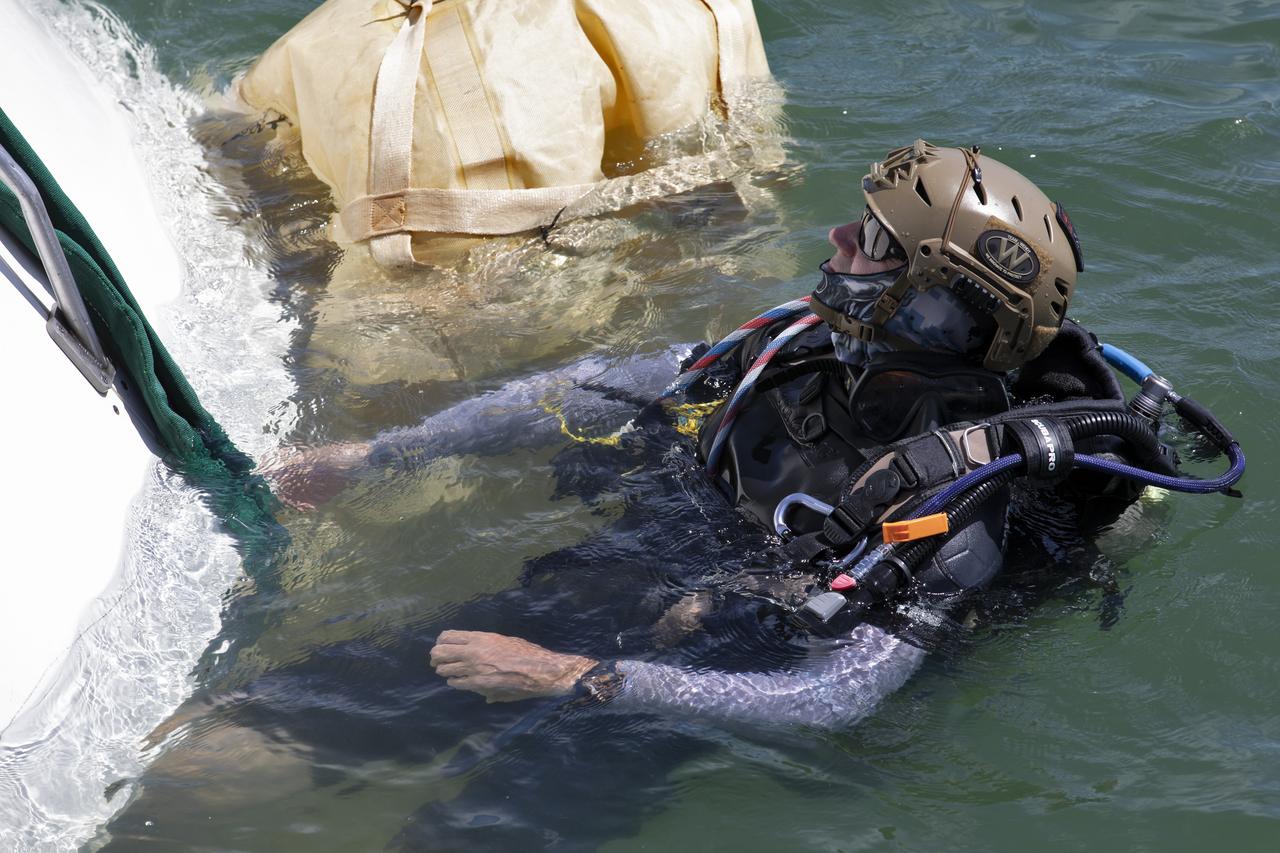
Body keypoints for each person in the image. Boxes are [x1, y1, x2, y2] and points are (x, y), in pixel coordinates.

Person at [268, 139, 1238, 730]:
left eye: (873, 244)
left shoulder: (959, 516)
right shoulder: (798, 351)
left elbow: (832, 700)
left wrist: (583, 680)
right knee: (298, 712)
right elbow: (602, 388)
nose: (835, 244)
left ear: (934, 306)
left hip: (694, 685)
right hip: (644, 581)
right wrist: (381, 456)